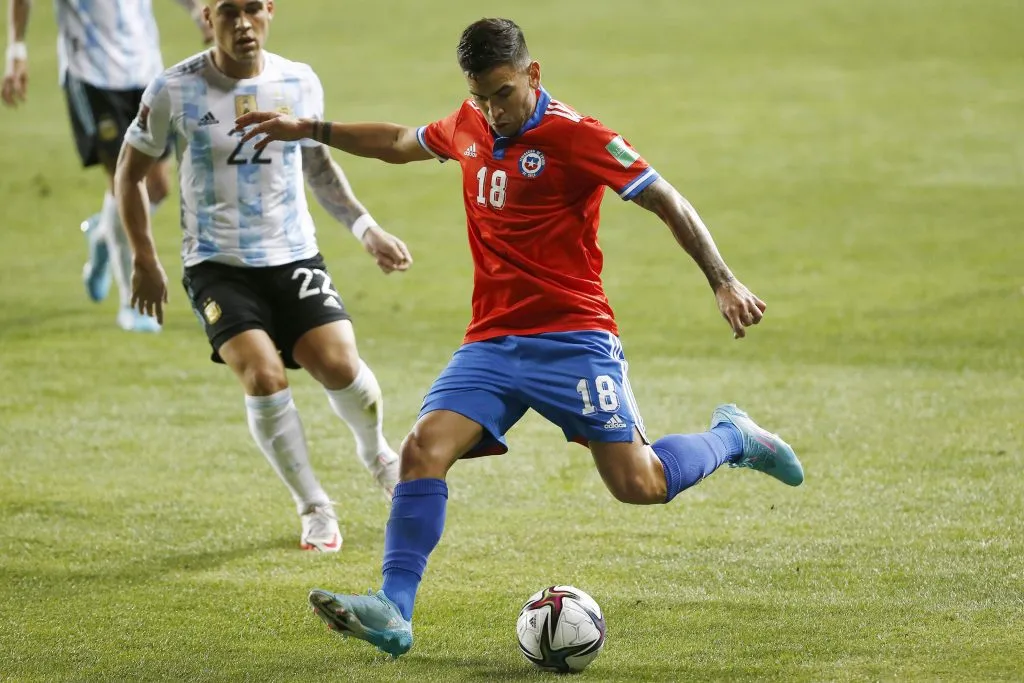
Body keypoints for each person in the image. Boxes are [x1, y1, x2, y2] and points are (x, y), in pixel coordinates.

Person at [236, 17, 804, 653]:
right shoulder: (469, 122)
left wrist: (722, 280)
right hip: (492, 341)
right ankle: (394, 608)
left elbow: (664, 197)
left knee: (639, 485)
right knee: (422, 448)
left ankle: (734, 437)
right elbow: (400, 141)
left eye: (502, 93)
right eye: (480, 96)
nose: (492, 110)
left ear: (533, 76)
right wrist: (309, 129)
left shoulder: (576, 136)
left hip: (574, 337)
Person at [117, 0, 412, 552]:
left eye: (253, 8)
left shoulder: (299, 81)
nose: (243, 23)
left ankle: (377, 454)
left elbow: (318, 166)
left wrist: (366, 228)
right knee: (263, 376)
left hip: (294, 256)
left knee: (341, 365)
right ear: (207, 17)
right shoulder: (173, 89)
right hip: (216, 267)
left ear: (270, 11)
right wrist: (144, 257)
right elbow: (129, 173)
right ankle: (314, 506)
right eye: (229, 11)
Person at [2, 0, 214, 332]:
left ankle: (103, 235)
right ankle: (133, 302)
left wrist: (198, 13)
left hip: (144, 67)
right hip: (91, 71)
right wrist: (16, 49)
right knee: (125, 180)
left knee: (157, 186)